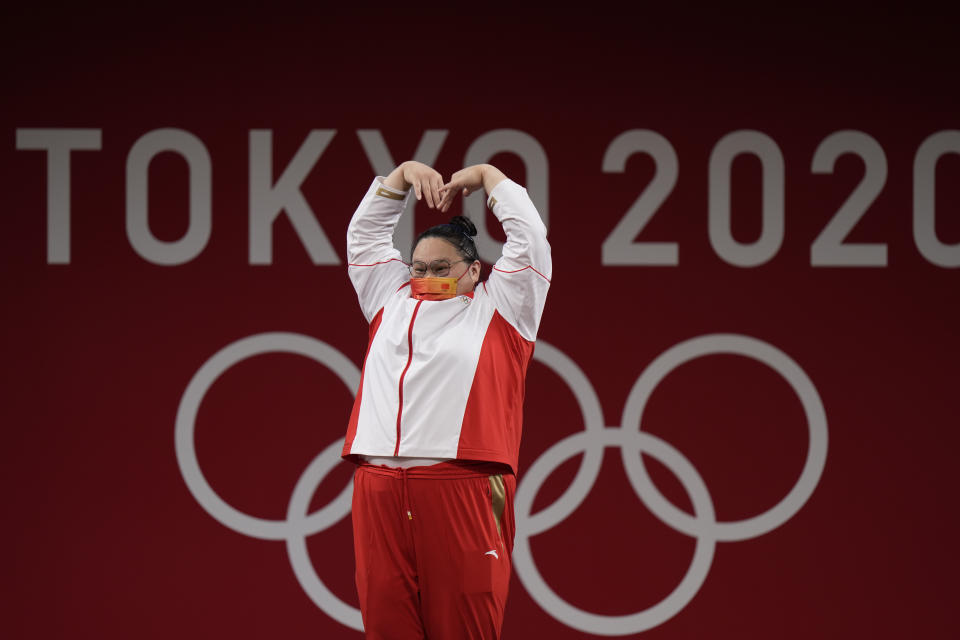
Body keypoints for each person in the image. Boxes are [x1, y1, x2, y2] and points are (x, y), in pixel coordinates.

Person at [342, 160, 551, 639]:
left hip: (462, 484)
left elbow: (531, 240)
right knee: (386, 628)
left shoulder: (504, 308)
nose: (427, 277)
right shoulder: (389, 298)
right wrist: (399, 178)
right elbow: (365, 237)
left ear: (475, 270)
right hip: (378, 486)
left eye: (442, 269)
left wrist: (491, 179)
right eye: (419, 268)